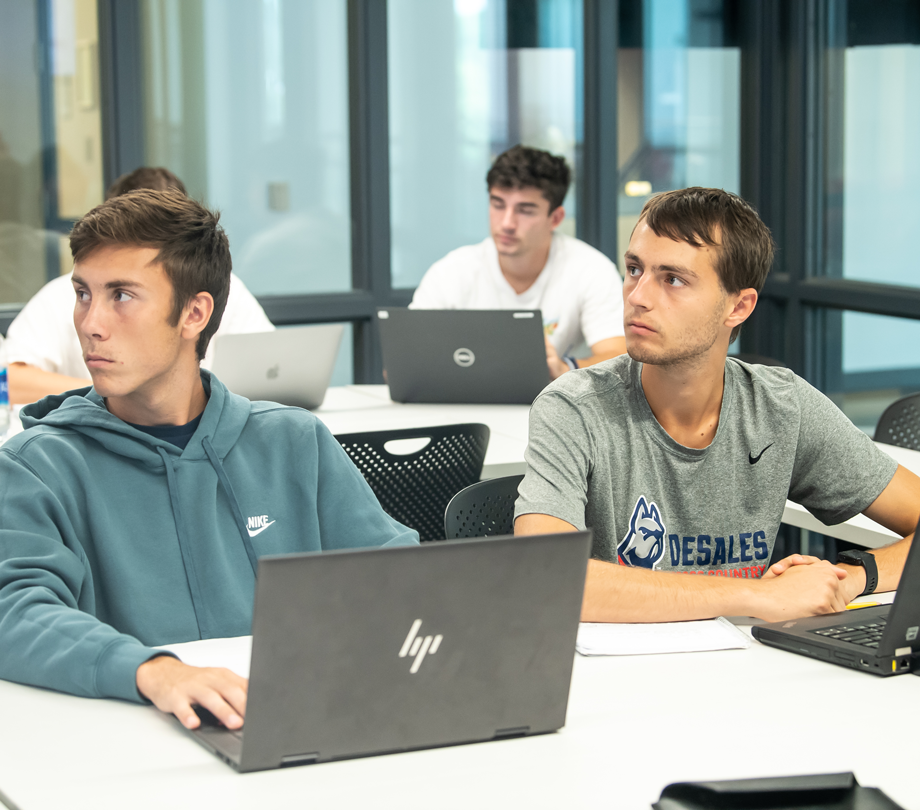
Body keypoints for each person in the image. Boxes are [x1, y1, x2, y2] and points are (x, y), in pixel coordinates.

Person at [0, 189, 418, 730]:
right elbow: (14, 613)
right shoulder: (36, 466)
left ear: (194, 313)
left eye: (121, 295)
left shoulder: (294, 441)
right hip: (136, 747)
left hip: (297, 723)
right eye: (83, 293)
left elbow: (401, 578)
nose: (90, 323)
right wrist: (153, 671)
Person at [514, 187, 920, 623]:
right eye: (634, 269)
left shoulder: (781, 407)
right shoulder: (573, 408)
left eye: (672, 279)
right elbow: (546, 578)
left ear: (738, 306)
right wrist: (754, 596)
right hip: (620, 682)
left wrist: (851, 579)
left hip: (751, 671)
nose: (637, 296)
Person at [1, 167, 273, 404]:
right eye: (83, 294)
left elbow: (273, 363)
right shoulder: (58, 296)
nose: (91, 325)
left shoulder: (222, 288)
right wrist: (103, 395)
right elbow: (9, 380)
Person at [410, 145, 626, 380]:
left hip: (553, 407)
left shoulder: (591, 270)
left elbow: (619, 357)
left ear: (555, 218)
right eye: (498, 204)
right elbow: (403, 364)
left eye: (525, 210)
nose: (507, 223)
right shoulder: (451, 272)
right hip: (465, 408)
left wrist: (564, 369)